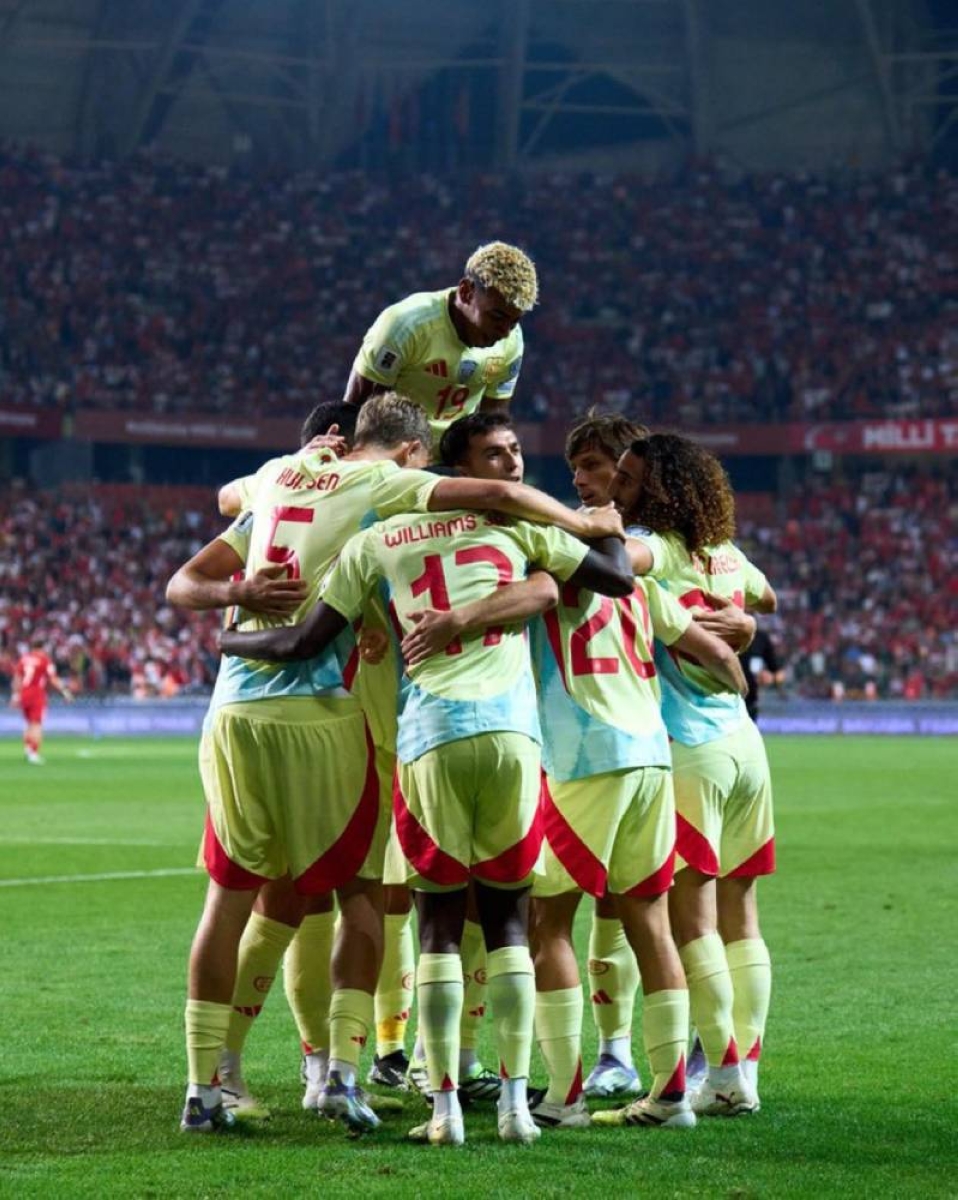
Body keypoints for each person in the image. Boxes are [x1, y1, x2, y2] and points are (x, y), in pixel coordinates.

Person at [174, 393, 626, 1136]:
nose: (510, 466)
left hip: (278, 715)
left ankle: (227, 1079)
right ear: (421, 458)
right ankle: (361, 1075)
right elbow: (563, 555)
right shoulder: (407, 498)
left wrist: (232, 616)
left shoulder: (286, 479)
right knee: (394, 903)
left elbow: (220, 523)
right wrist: (590, 522)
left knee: (271, 901)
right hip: (371, 722)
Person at [413, 413, 748, 1133]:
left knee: (548, 923)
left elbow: (530, 597)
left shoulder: (540, 559)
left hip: (581, 759)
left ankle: (563, 1097)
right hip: (651, 755)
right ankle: (671, 1095)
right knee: (649, 922)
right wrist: (741, 678)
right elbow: (713, 650)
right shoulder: (631, 576)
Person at [609, 433, 777, 1117]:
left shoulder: (660, 548)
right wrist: (743, 622)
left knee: (693, 921)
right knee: (742, 915)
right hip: (746, 748)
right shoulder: (726, 552)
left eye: (627, 480)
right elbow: (765, 599)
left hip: (691, 751)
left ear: (659, 491)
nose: (616, 490)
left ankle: (727, 1073)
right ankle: (744, 1072)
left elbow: (616, 559)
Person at [342, 242, 537, 450]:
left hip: (453, 458)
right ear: (466, 291)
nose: (505, 331)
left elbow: (491, 425)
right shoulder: (405, 325)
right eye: (496, 316)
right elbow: (355, 412)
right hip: (394, 455)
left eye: (514, 321)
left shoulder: (512, 339)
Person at [11, 644, 73, 764]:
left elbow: (17, 678)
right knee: (37, 724)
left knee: (29, 724)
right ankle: (34, 753)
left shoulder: (24, 659)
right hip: (37, 695)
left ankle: (28, 749)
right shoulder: (45, 660)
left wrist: (15, 695)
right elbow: (53, 678)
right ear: (42, 648)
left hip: (24, 694)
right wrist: (65, 692)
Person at [742, 626, 785, 720]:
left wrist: (771, 678)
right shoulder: (724, 635)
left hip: (750, 703)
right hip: (724, 701)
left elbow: (778, 673)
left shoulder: (761, 638)